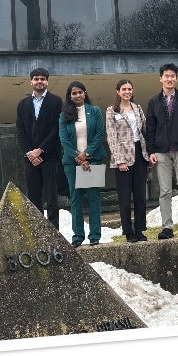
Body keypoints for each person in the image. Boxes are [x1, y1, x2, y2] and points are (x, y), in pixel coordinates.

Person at [144, 62, 178, 238]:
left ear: (176, 78)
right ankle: (167, 227)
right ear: (161, 78)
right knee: (164, 191)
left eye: (172, 76)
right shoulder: (153, 101)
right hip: (161, 151)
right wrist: (151, 150)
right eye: (166, 76)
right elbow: (149, 129)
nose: (169, 79)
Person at [57, 80, 107, 246]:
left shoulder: (94, 111)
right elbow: (64, 140)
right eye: (74, 93)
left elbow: (99, 134)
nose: (77, 95)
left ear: (85, 93)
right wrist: (79, 158)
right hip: (72, 163)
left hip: (93, 159)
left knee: (93, 197)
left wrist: (87, 155)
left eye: (80, 92)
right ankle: (78, 236)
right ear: (70, 96)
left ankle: (95, 236)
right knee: (76, 198)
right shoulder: (64, 115)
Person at [14, 69, 63, 229]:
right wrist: (30, 153)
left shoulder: (56, 101)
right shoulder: (23, 104)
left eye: (42, 79)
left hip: (49, 156)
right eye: (36, 79)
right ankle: (37, 231)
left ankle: (54, 231)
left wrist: (40, 150)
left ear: (47, 82)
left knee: (51, 196)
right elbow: (20, 131)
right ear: (31, 82)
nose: (39, 81)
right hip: (30, 159)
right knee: (34, 197)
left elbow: (57, 129)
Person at [107, 79, 149, 243]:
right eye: (124, 89)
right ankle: (128, 231)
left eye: (130, 89)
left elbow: (145, 130)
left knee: (140, 196)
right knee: (125, 198)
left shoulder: (137, 108)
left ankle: (139, 230)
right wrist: (120, 160)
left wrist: (149, 153)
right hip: (123, 157)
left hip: (140, 153)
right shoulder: (112, 110)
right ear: (118, 91)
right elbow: (112, 137)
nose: (127, 92)